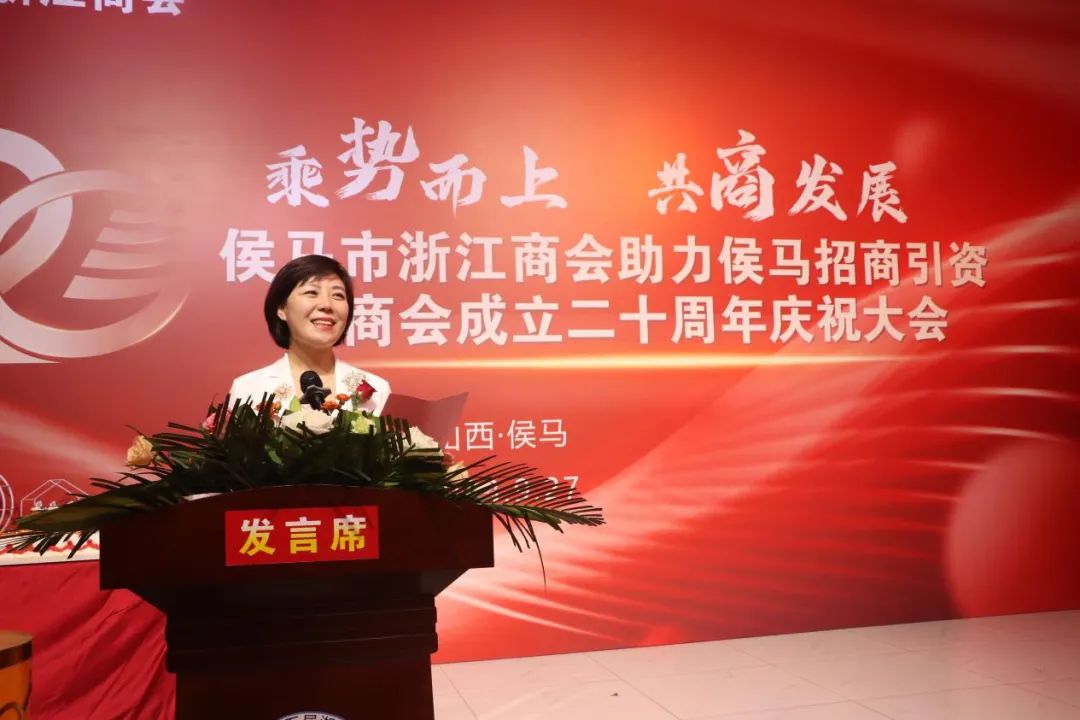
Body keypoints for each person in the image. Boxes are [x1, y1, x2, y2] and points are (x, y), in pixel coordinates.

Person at [227, 255, 390, 415]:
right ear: (282, 308)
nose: (326, 305)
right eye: (312, 292)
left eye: (338, 295)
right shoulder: (248, 390)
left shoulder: (377, 391)